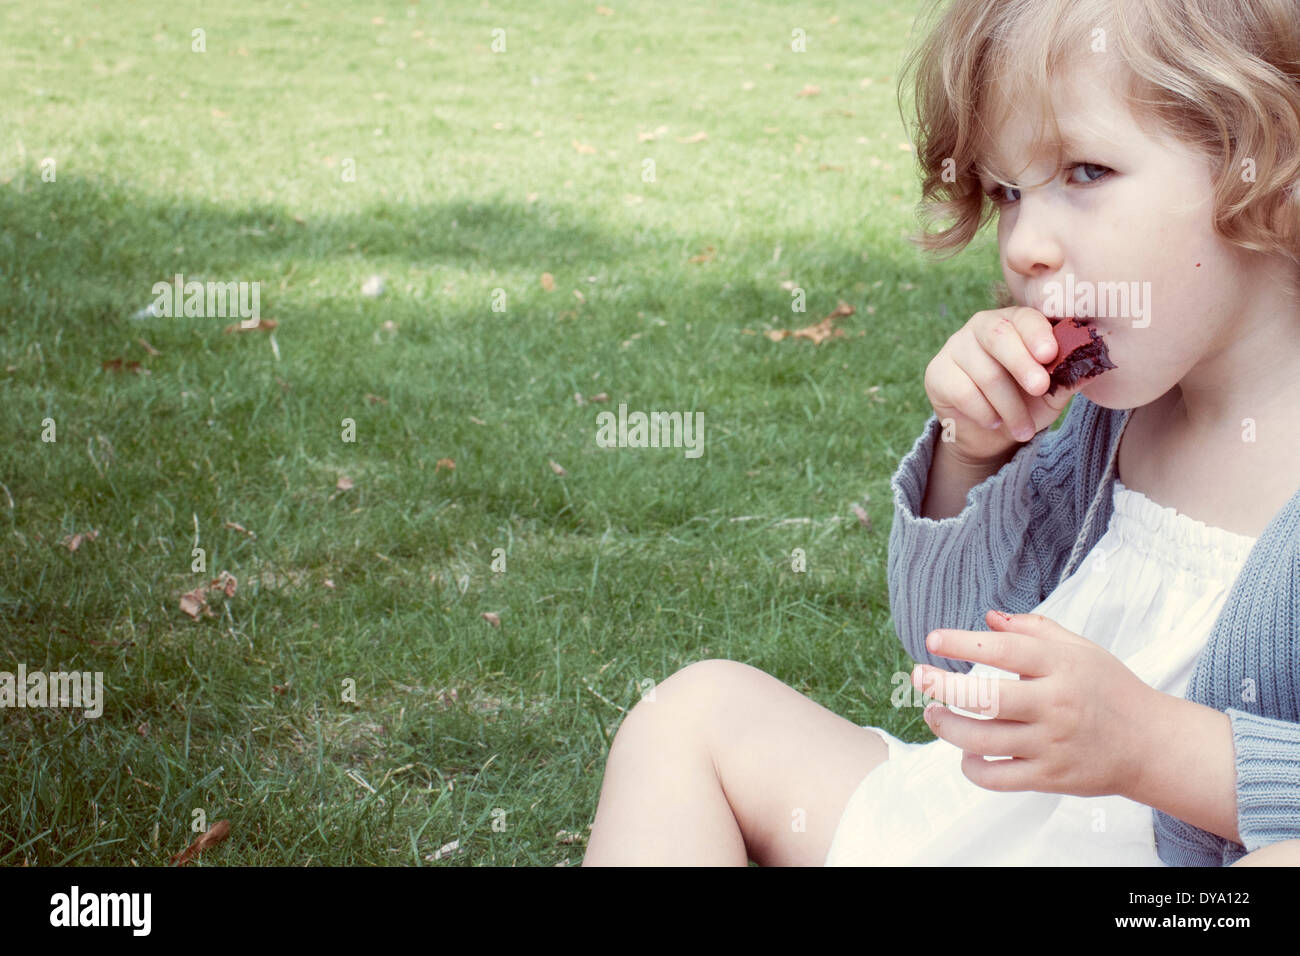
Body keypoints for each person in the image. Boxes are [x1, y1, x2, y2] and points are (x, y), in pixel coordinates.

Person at [582, 0, 1300, 866]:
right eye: (1007, 192)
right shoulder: (1113, 421)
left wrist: (1153, 746)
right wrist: (975, 452)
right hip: (977, 828)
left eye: (1083, 170)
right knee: (692, 714)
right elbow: (952, 653)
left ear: (1268, 163)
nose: (1024, 245)